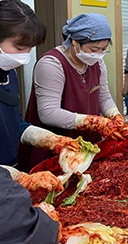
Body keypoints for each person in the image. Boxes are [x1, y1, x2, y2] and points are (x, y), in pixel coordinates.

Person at [19, 13, 128, 172]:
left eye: (103, 49)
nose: (98, 54)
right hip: (55, 147)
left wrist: (115, 116)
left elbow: (104, 97)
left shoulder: (97, 63)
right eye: (94, 49)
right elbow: (48, 112)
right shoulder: (51, 64)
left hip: (88, 145)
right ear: (75, 42)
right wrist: (95, 122)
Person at [0, 0, 71, 242]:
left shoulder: (8, 74)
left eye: (29, 48)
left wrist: (51, 140)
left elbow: (14, 122)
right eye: (19, 47)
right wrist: (17, 177)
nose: (25, 56)